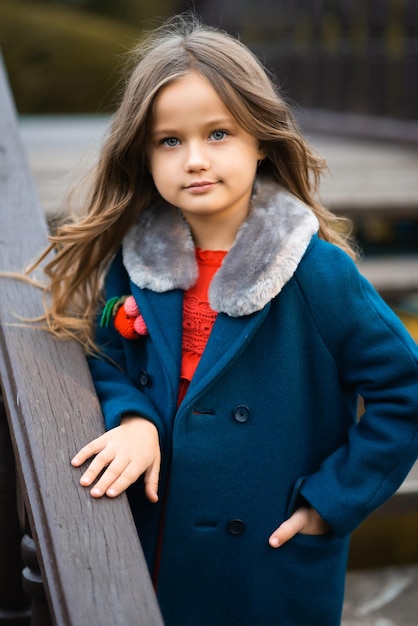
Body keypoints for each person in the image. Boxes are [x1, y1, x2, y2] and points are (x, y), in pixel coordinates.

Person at [25, 14, 418, 626]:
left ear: (260, 139)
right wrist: (134, 418)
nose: (195, 159)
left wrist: (329, 502)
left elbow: (404, 391)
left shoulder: (314, 272)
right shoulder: (137, 261)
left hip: (265, 563)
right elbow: (106, 353)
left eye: (219, 133)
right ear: (143, 153)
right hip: (154, 542)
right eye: (170, 140)